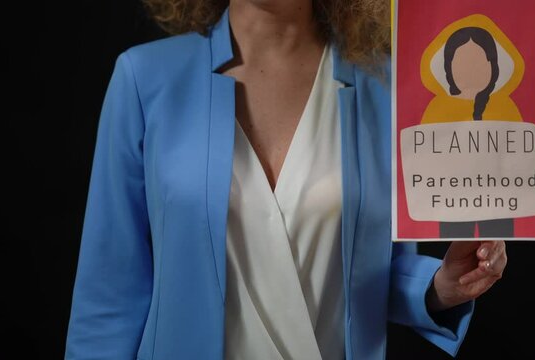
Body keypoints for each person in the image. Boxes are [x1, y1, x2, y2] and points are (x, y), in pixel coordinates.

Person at [65, 1, 507, 359]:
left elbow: (373, 271)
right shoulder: (145, 79)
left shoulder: (387, 86)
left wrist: (440, 284)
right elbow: (109, 296)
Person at [420, 15, 526, 239]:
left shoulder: (505, 107)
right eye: (460, 63)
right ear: (448, 68)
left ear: (493, 64)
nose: (469, 70)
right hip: (450, 197)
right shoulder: (437, 108)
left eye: (478, 62)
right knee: (453, 242)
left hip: (500, 196)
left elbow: (520, 154)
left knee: (497, 240)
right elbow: (424, 158)